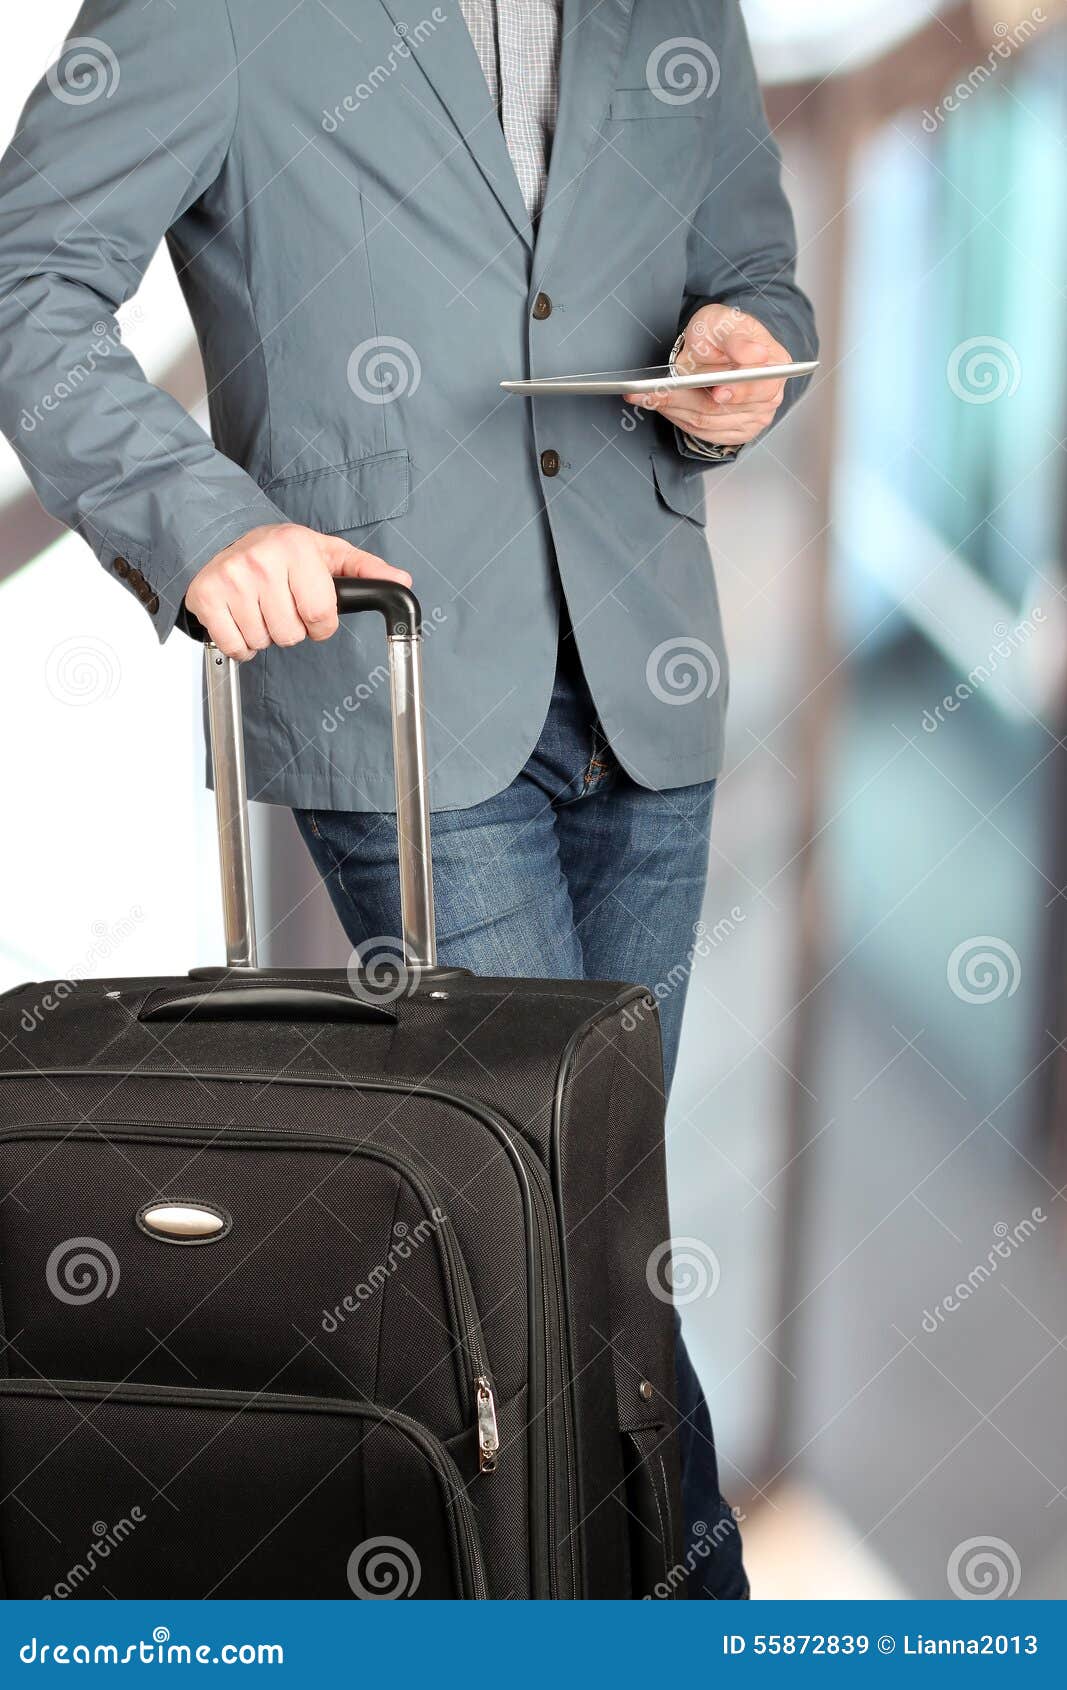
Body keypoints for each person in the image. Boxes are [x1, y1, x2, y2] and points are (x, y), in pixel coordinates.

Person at [0, 0, 816, 1598]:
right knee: (564, 1248)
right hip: (400, 684)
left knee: (590, 1249)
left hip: (643, 679)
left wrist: (737, 354)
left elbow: (751, 269)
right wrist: (198, 525)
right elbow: (27, 277)